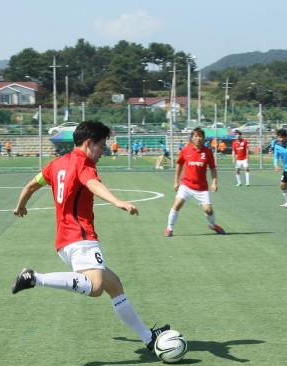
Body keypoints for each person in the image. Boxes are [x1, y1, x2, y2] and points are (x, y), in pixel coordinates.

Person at [11, 120, 169, 353]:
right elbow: (92, 183)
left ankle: (148, 338)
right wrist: (118, 202)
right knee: (95, 287)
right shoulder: (83, 164)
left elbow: (31, 186)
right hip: (81, 237)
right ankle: (34, 278)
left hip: (64, 242)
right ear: (88, 143)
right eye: (102, 145)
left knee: (114, 285)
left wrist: (20, 206)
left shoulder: (56, 164)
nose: (103, 151)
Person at [164, 127, 225, 237]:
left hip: (201, 187)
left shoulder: (208, 152)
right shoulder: (185, 150)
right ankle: (169, 228)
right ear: (192, 138)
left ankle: (212, 225)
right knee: (177, 203)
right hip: (186, 185)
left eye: (200, 136)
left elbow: (212, 168)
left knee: (208, 210)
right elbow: (179, 165)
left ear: (203, 138)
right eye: (195, 136)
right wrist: (176, 181)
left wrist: (214, 182)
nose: (198, 138)